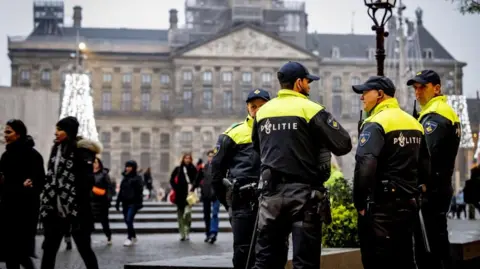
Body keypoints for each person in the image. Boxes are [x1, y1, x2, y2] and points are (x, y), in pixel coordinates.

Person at [251, 62, 352, 269]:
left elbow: (257, 147)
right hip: (303, 197)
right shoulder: (311, 109)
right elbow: (343, 144)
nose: (310, 86)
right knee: (305, 263)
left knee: (266, 261)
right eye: (308, 82)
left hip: (271, 198)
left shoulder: (263, 112)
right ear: (298, 83)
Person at [351, 76, 429, 269]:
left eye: (364, 93)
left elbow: (365, 166)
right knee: (405, 260)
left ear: (379, 94)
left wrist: (360, 203)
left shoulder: (375, 123)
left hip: (381, 208)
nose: (362, 98)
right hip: (409, 206)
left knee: (377, 261)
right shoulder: (414, 123)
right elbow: (426, 167)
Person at [211, 88, 272, 269]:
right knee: (243, 251)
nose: (257, 110)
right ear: (247, 107)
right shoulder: (232, 134)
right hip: (243, 202)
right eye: (254, 106)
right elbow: (216, 173)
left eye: (262, 106)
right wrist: (229, 202)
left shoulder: (277, 132)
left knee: (271, 250)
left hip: (271, 201)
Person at [407, 70, 461, 269]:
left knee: (428, 250)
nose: (418, 92)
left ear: (437, 88)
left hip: (430, 190)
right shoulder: (441, 111)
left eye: (423, 87)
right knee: (437, 241)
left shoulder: (435, 116)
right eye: (415, 88)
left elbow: (424, 154)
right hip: (439, 187)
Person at [39, 116, 101, 269]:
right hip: (54, 208)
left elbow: (88, 180)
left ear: (68, 131)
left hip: (76, 211)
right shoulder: (56, 149)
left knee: (84, 249)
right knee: (49, 250)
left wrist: (73, 194)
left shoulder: (82, 151)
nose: (55, 133)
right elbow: (51, 174)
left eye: (59, 129)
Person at [0, 119, 45, 269]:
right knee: (10, 255)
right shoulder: (6, 156)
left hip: (25, 213)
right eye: (5, 131)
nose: (5, 135)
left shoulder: (33, 156)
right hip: (7, 210)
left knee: (21, 255)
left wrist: (17, 187)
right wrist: (19, 186)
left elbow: (38, 183)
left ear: (18, 134)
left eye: (8, 132)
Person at [193, 150, 220, 243]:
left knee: (215, 214)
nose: (211, 158)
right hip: (206, 194)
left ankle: (213, 233)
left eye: (213, 156)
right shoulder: (203, 168)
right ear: (207, 157)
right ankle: (208, 233)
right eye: (210, 156)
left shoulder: (219, 167)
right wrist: (192, 189)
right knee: (206, 215)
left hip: (216, 194)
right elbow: (197, 179)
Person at [115, 160, 144, 246]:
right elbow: (121, 191)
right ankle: (133, 236)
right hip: (125, 202)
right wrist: (117, 202)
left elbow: (140, 190)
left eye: (129, 167)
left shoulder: (137, 178)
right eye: (126, 166)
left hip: (133, 203)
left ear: (133, 168)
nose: (127, 168)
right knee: (127, 220)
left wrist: (138, 202)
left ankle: (129, 238)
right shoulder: (125, 177)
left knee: (129, 219)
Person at [169, 153, 197, 241]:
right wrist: (175, 188)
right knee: (180, 215)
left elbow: (197, 180)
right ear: (183, 159)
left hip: (189, 194)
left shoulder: (193, 169)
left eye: (189, 158)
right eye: (186, 158)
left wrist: (193, 187)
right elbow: (171, 179)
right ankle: (182, 233)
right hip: (179, 194)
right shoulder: (178, 169)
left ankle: (187, 231)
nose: (187, 160)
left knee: (188, 214)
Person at [91, 157, 113, 245]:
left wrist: (108, 199)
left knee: (104, 222)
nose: (94, 164)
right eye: (93, 162)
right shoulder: (88, 173)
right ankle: (88, 238)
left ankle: (108, 236)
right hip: (90, 201)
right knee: (89, 221)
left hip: (102, 201)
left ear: (99, 163)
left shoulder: (104, 174)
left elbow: (109, 188)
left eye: (96, 162)